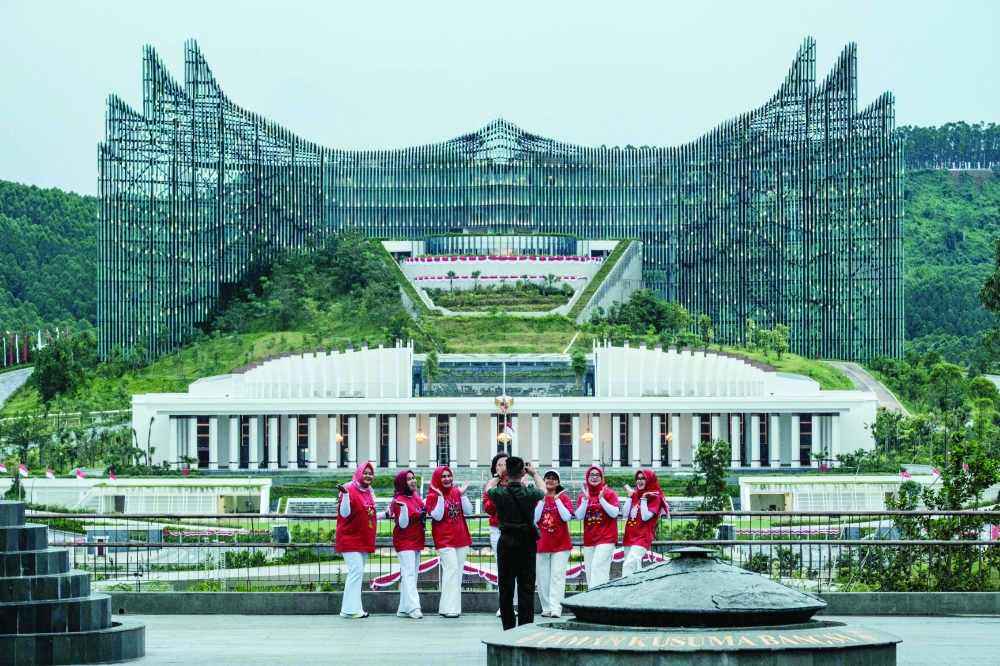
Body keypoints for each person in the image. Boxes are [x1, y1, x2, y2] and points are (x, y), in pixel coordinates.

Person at [485, 456, 545, 630]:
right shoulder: (529, 492)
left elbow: (488, 488)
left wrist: (498, 474)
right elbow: (542, 488)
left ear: (506, 472)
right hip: (526, 541)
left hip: (506, 541)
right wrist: (534, 473)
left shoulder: (500, 493)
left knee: (506, 586)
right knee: (526, 586)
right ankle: (525, 627)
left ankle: (508, 628)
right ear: (522, 472)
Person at [425, 465, 473, 618]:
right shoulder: (431, 496)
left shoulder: (456, 492)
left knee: (456, 573)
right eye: (443, 476)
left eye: (449, 476)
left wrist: (463, 494)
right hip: (444, 539)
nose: (447, 479)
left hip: (461, 538)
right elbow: (437, 516)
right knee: (451, 569)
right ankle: (450, 608)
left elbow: (468, 511)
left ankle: (449, 608)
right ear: (437, 479)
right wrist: (440, 497)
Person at [335, 462, 378, 618]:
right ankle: (352, 610)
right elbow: (344, 513)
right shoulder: (350, 489)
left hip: (363, 538)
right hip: (349, 537)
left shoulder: (367, 492)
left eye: (370, 473)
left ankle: (348, 609)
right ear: (359, 473)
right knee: (357, 571)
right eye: (365, 473)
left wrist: (385, 514)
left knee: (357, 573)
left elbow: (368, 514)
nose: (368, 476)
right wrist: (345, 495)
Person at [483, 452, 519, 617]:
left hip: (515, 529)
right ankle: (504, 606)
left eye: (506, 464)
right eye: (499, 464)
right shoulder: (491, 487)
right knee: (503, 568)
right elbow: (489, 509)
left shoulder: (519, 484)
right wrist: (495, 490)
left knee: (516, 568)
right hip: (498, 529)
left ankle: (514, 604)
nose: (503, 467)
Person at [534, 469, 573, 618]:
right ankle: (546, 607)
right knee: (542, 577)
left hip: (560, 543)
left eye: (553, 478)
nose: (550, 480)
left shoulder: (564, 498)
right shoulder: (538, 497)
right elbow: (535, 517)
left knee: (557, 575)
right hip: (541, 543)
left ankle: (556, 607)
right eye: (547, 478)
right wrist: (542, 501)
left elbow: (566, 517)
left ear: (558, 482)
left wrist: (557, 500)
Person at [575, 465, 620, 588]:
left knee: (598, 567)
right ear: (587, 477)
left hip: (606, 538)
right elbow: (579, 516)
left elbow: (614, 513)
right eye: (592, 475)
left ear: (601, 477)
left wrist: (602, 499)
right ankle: (593, 600)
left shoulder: (609, 493)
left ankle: (598, 602)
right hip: (590, 539)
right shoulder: (582, 496)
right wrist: (585, 499)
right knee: (590, 571)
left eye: (597, 475)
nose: (594, 477)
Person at [390, 469, 426, 618]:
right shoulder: (399, 500)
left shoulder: (415, 496)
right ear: (402, 483)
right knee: (409, 573)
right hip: (404, 540)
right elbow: (402, 524)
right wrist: (403, 509)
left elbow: (422, 508)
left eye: (414, 478)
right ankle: (413, 607)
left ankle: (403, 608)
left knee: (410, 574)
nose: (413, 481)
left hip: (416, 538)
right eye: (409, 479)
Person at [621, 469, 670, 577]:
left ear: (650, 480)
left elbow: (645, 517)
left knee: (628, 565)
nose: (640, 481)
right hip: (629, 536)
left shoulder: (655, 497)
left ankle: (624, 592)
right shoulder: (634, 494)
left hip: (642, 537)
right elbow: (624, 514)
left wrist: (643, 499)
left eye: (643, 478)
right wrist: (629, 496)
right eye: (638, 478)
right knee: (635, 570)